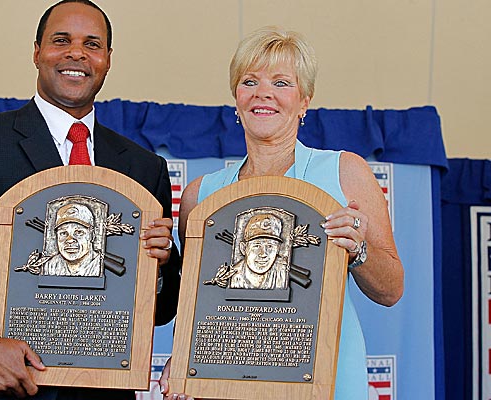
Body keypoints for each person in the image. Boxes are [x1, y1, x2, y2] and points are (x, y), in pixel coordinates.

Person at [0, 1, 181, 399]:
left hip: (105, 391)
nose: (76, 53)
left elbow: (163, 308)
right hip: (6, 389)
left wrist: (161, 265)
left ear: (108, 59)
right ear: (36, 51)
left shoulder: (143, 168)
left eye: (92, 44)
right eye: (61, 40)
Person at [160, 26, 404, 400]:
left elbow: (391, 290)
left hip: (329, 377)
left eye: (281, 83)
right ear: (236, 98)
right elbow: (196, 301)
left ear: (305, 101)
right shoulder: (201, 195)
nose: (264, 94)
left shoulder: (345, 171)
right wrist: (182, 358)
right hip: (228, 380)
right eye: (250, 81)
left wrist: (358, 251)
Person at [43, 203, 102, 277]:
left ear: (92, 235)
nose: (70, 240)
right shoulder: (50, 266)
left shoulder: (100, 265)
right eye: (63, 233)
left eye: (79, 232)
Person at [229, 213, 285, 290]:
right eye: (256, 246)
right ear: (243, 248)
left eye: (269, 246)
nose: (263, 254)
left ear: (278, 249)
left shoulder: (282, 274)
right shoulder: (231, 276)